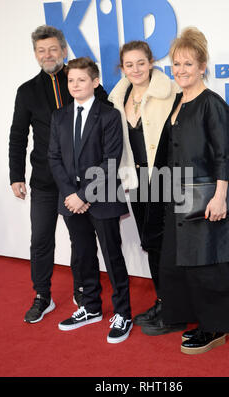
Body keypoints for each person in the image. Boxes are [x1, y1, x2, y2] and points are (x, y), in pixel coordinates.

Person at [141, 27, 229, 353]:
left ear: (203, 66)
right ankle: (197, 319)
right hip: (178, 201)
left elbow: (225, 153)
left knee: (209, 267)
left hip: (205, 200)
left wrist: (220, 197)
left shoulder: (212, 104)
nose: (180, 70)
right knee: (183, 265)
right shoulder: (179, 101)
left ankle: (215, 328)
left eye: (188, 64)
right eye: (176, 64)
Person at [9, 25, 110, 324]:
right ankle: (42, 295)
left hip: (78, 184)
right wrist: (16, 174)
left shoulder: (82, 81)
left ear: (64, 51)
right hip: (43, 180)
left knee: (81, 240)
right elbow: (17, 135)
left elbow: (107, 118)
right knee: (40, 240)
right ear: (36, 55)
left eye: (53, 49)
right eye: (41, 50)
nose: (47, 55)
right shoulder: (26, 91)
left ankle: (83, 291)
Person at [48, 57, 132, 343]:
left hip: (103, 198)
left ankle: (123, 313)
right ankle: (90, 307)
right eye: (70, 80)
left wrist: (84, 195)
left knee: (112, 256)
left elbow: (111, 161)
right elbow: (54, 158)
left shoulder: (109, 115)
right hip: (70, 200)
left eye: (81, 80)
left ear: (95, 82)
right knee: (82, 256)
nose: (75, 85)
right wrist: (72, 195)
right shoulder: (59, 116)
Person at [108, 41, 184, 334]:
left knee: (169, 246)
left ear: (151, 62)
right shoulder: (118, 96)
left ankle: (176, 310)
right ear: (122, 68)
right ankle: (164, 301)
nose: (136, 69)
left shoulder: (171, 93)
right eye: (129, 65)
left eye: (141, 62)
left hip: (166, 180)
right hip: (138, 183)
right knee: (151, 244)